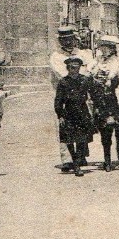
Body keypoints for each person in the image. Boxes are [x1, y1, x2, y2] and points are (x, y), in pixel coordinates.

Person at [50, 24, 92, 169]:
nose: (67, 42)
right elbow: (62, 73)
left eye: (69, 39)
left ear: (74, 39)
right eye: (63, 40)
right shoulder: (56, 56)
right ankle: (67, 159)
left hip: (81, 94)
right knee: (64, 127)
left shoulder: (83, 53)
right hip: (64, 96)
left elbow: (89, 69)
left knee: (83, 123)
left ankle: (81, 156)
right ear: (60, 41)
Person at [54, 56, 96, 177]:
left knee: (82, 140)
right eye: (72, 68)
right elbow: (58, 101)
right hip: (68, 113)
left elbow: (93, 94)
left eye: (77, 68)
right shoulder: (63, 82)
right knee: (69, 140)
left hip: (82, 113)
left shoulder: (85, 80)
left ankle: (77, 164)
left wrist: (94, 110)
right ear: (68, 68)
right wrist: (60, 115)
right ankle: (75, 162)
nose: (75, 70)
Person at [91, 38, 119, 170]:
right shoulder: (99, 60)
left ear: (112, 49)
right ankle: (107, 160)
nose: (103, 50)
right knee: (105, 131)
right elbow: (92, 70)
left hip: (116, 96)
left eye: (106, 48)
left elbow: (118, 75)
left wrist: (109, 79)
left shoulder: (117, 61)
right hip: (102, 99)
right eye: (102, 48)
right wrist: (95, 75)